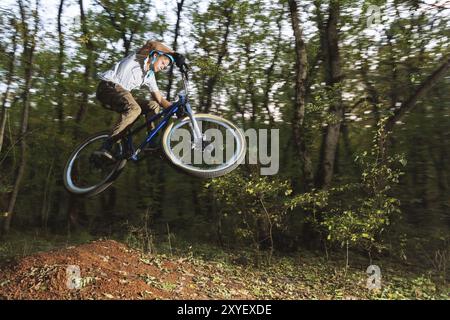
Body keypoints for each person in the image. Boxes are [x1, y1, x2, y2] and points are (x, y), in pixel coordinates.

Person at [94, 40, 186, 160]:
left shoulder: (150, 76)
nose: (163, 67)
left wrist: (176, 108)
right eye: (163, 62)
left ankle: (151, 142)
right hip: (107, 87)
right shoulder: (139, 56)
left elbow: (159, 99)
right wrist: (174, 54)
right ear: (155, 56)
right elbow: (153, 44)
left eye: (165, 66)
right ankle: (107, 145)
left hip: (121, 95)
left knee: (153, 105)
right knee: (134, 108)